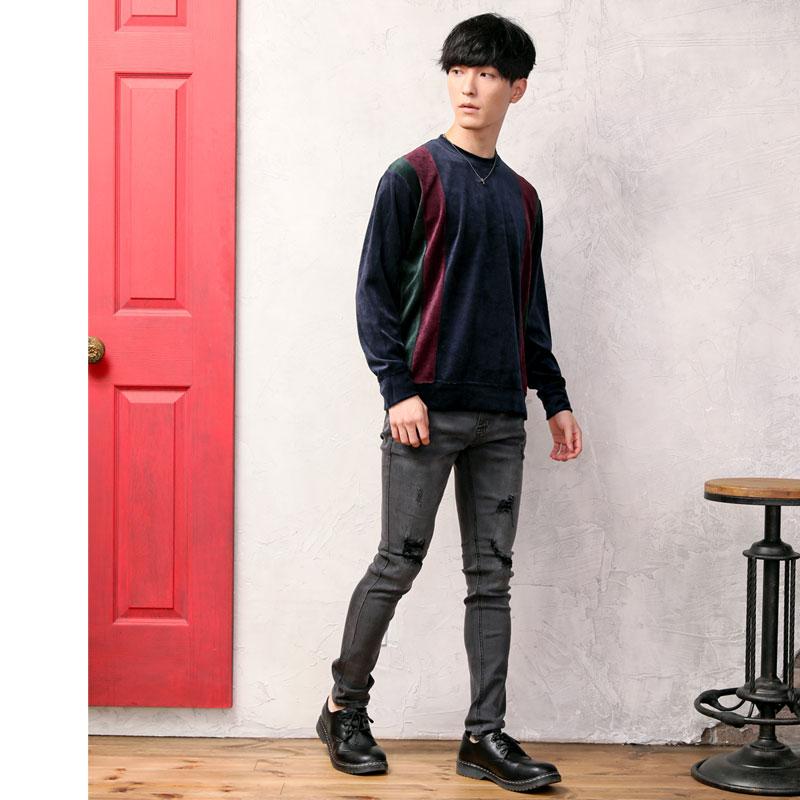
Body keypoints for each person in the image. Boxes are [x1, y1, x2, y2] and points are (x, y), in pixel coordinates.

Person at [316, 11, 583, 793]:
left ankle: (483, 736)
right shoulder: (410, 176)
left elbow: (529, 307)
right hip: (423, 412)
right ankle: (344, 708)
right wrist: (397, 388)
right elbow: (373, 294)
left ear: (516, 88)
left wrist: (554, 397)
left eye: (488, 73)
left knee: (491, 577)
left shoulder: (524, 199)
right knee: (396, 563)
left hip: (500, 415)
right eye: (459, 70)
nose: (469, 85)